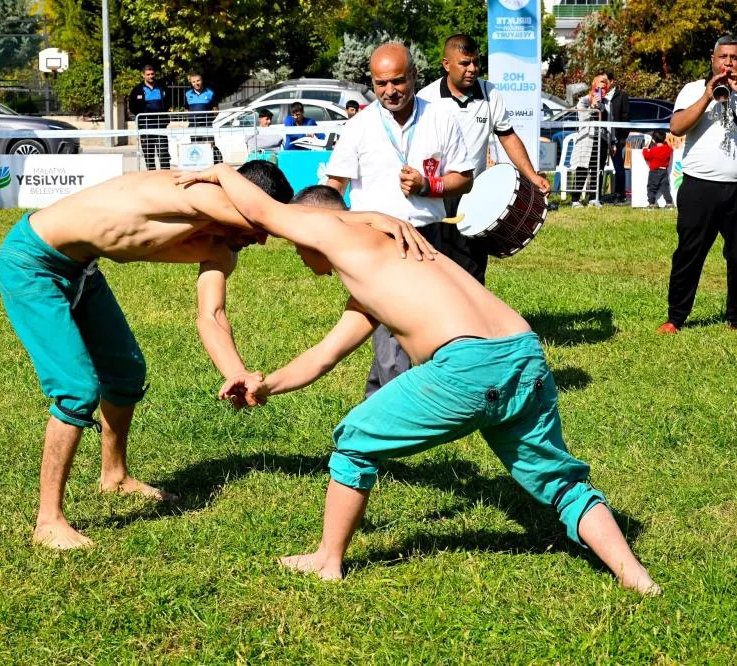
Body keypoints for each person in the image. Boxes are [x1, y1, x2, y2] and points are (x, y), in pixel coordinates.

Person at [178, 164, 661, 596]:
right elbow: (324, 356)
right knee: (561, 482)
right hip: (525, 355)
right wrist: (264, 385)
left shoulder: (335, 234)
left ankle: (327, 560)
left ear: (313, 230)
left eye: (296, 243)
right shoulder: (384, 256)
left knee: (353, 440)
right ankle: (635, 576)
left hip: (468, 367)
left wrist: (220, 171)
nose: (299, 256)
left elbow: (264, 210)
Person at [0, 161, 432, 550]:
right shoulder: (196, 194)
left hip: (81, 268)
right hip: (33, 262)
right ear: (237, 202)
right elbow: (279, 218)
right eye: (254, 228)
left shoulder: (219, 243)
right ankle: (48, 520)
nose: (260, 241)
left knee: (126, 372)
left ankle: (115, 476)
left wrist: (237, 373)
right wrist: (373, 218)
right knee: (76, 389)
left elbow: (212, 314)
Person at [324, 42, 475, 398]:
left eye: (397, 82)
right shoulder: (359, 126)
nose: (389, 91)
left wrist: (430, 185)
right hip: (378, 243)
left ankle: (378, 403)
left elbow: (464, 177)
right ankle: (394, 415)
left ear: (414, 76)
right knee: (391, 332)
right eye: (380, 84)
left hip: (430, 238)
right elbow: (335, 185)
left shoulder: (441, 118)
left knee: (423, 325)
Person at [417, 34, 551, 284]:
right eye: (464, 63)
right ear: (446, 64)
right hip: (438, 193)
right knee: (437, 266)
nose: (472, 69)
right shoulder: (426, 99)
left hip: (474, 194)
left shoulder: (490, 93)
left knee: (473, 268)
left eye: (476, 63)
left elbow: (507, 136)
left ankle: (474, 319)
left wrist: (532, 176)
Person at [658, 35, 737, 334]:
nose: (729, 63)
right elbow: (676, 126)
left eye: (734, 58)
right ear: (713, 59)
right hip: (699, 186)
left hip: (735, 186)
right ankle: (675, 318)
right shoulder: (693, 89)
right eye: (724, 57)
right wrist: (707, 96)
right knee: (689, 254)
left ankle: (735, 318)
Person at [570, 73, 611, 208]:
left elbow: (610, 123)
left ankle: (594, 198)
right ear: (593, 87)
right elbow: (582, 116)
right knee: (582, 169)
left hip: (602, 140)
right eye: (599, 88)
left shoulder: (607, 104)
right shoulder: (584, 100)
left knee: (598, 170)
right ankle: (575, 199)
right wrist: (592, 106)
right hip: (586, 140)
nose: (601, 91)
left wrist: (613, 142)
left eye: (604, 88)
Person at [129, 65, 171, 170]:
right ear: (143, 75)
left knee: (163, 153)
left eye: (152, 74)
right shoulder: (137, 90)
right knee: (149, 155)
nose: (151, 76)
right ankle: (151, 177)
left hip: (160, 126)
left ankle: (165, 177)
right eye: (148, 74)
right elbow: (132, 107)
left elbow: (168, 103)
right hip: (145, 126)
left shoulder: (162, 88)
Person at [184, 72, 221, 163]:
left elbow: (215, 109)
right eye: (193, 82)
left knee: (209, 146)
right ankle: (198, 168)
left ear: (202, 81)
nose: (196, 83)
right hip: (194, 125)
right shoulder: (187, 94)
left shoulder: (210, 92)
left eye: (198, 81)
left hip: (207, 124)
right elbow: (186, 109)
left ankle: (213, 166)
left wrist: (212, 120)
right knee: (196, 147)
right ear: (191, 83)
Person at [605, 73, 631, 203]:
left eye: (605, 81)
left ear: (611, 81)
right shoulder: (600, 95)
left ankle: (620, 194)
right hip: (603, 137)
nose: (603, 84)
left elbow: (626, 117)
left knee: (618, 166)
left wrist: (621, 138)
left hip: (616, 138)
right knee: (598, 166)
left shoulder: (621, 96)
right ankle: (596, 195)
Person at [642, 129, 674, 209]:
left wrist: (645, 148)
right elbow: (670, 148)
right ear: (664, 139)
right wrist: (665, 141)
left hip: (654, 171)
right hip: (664, 171)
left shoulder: (653, 150)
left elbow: (646, 157)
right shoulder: (668, 149)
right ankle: (669, 203)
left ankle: (652, 204)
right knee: (665, 188)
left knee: (651, 188)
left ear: (653, 140)